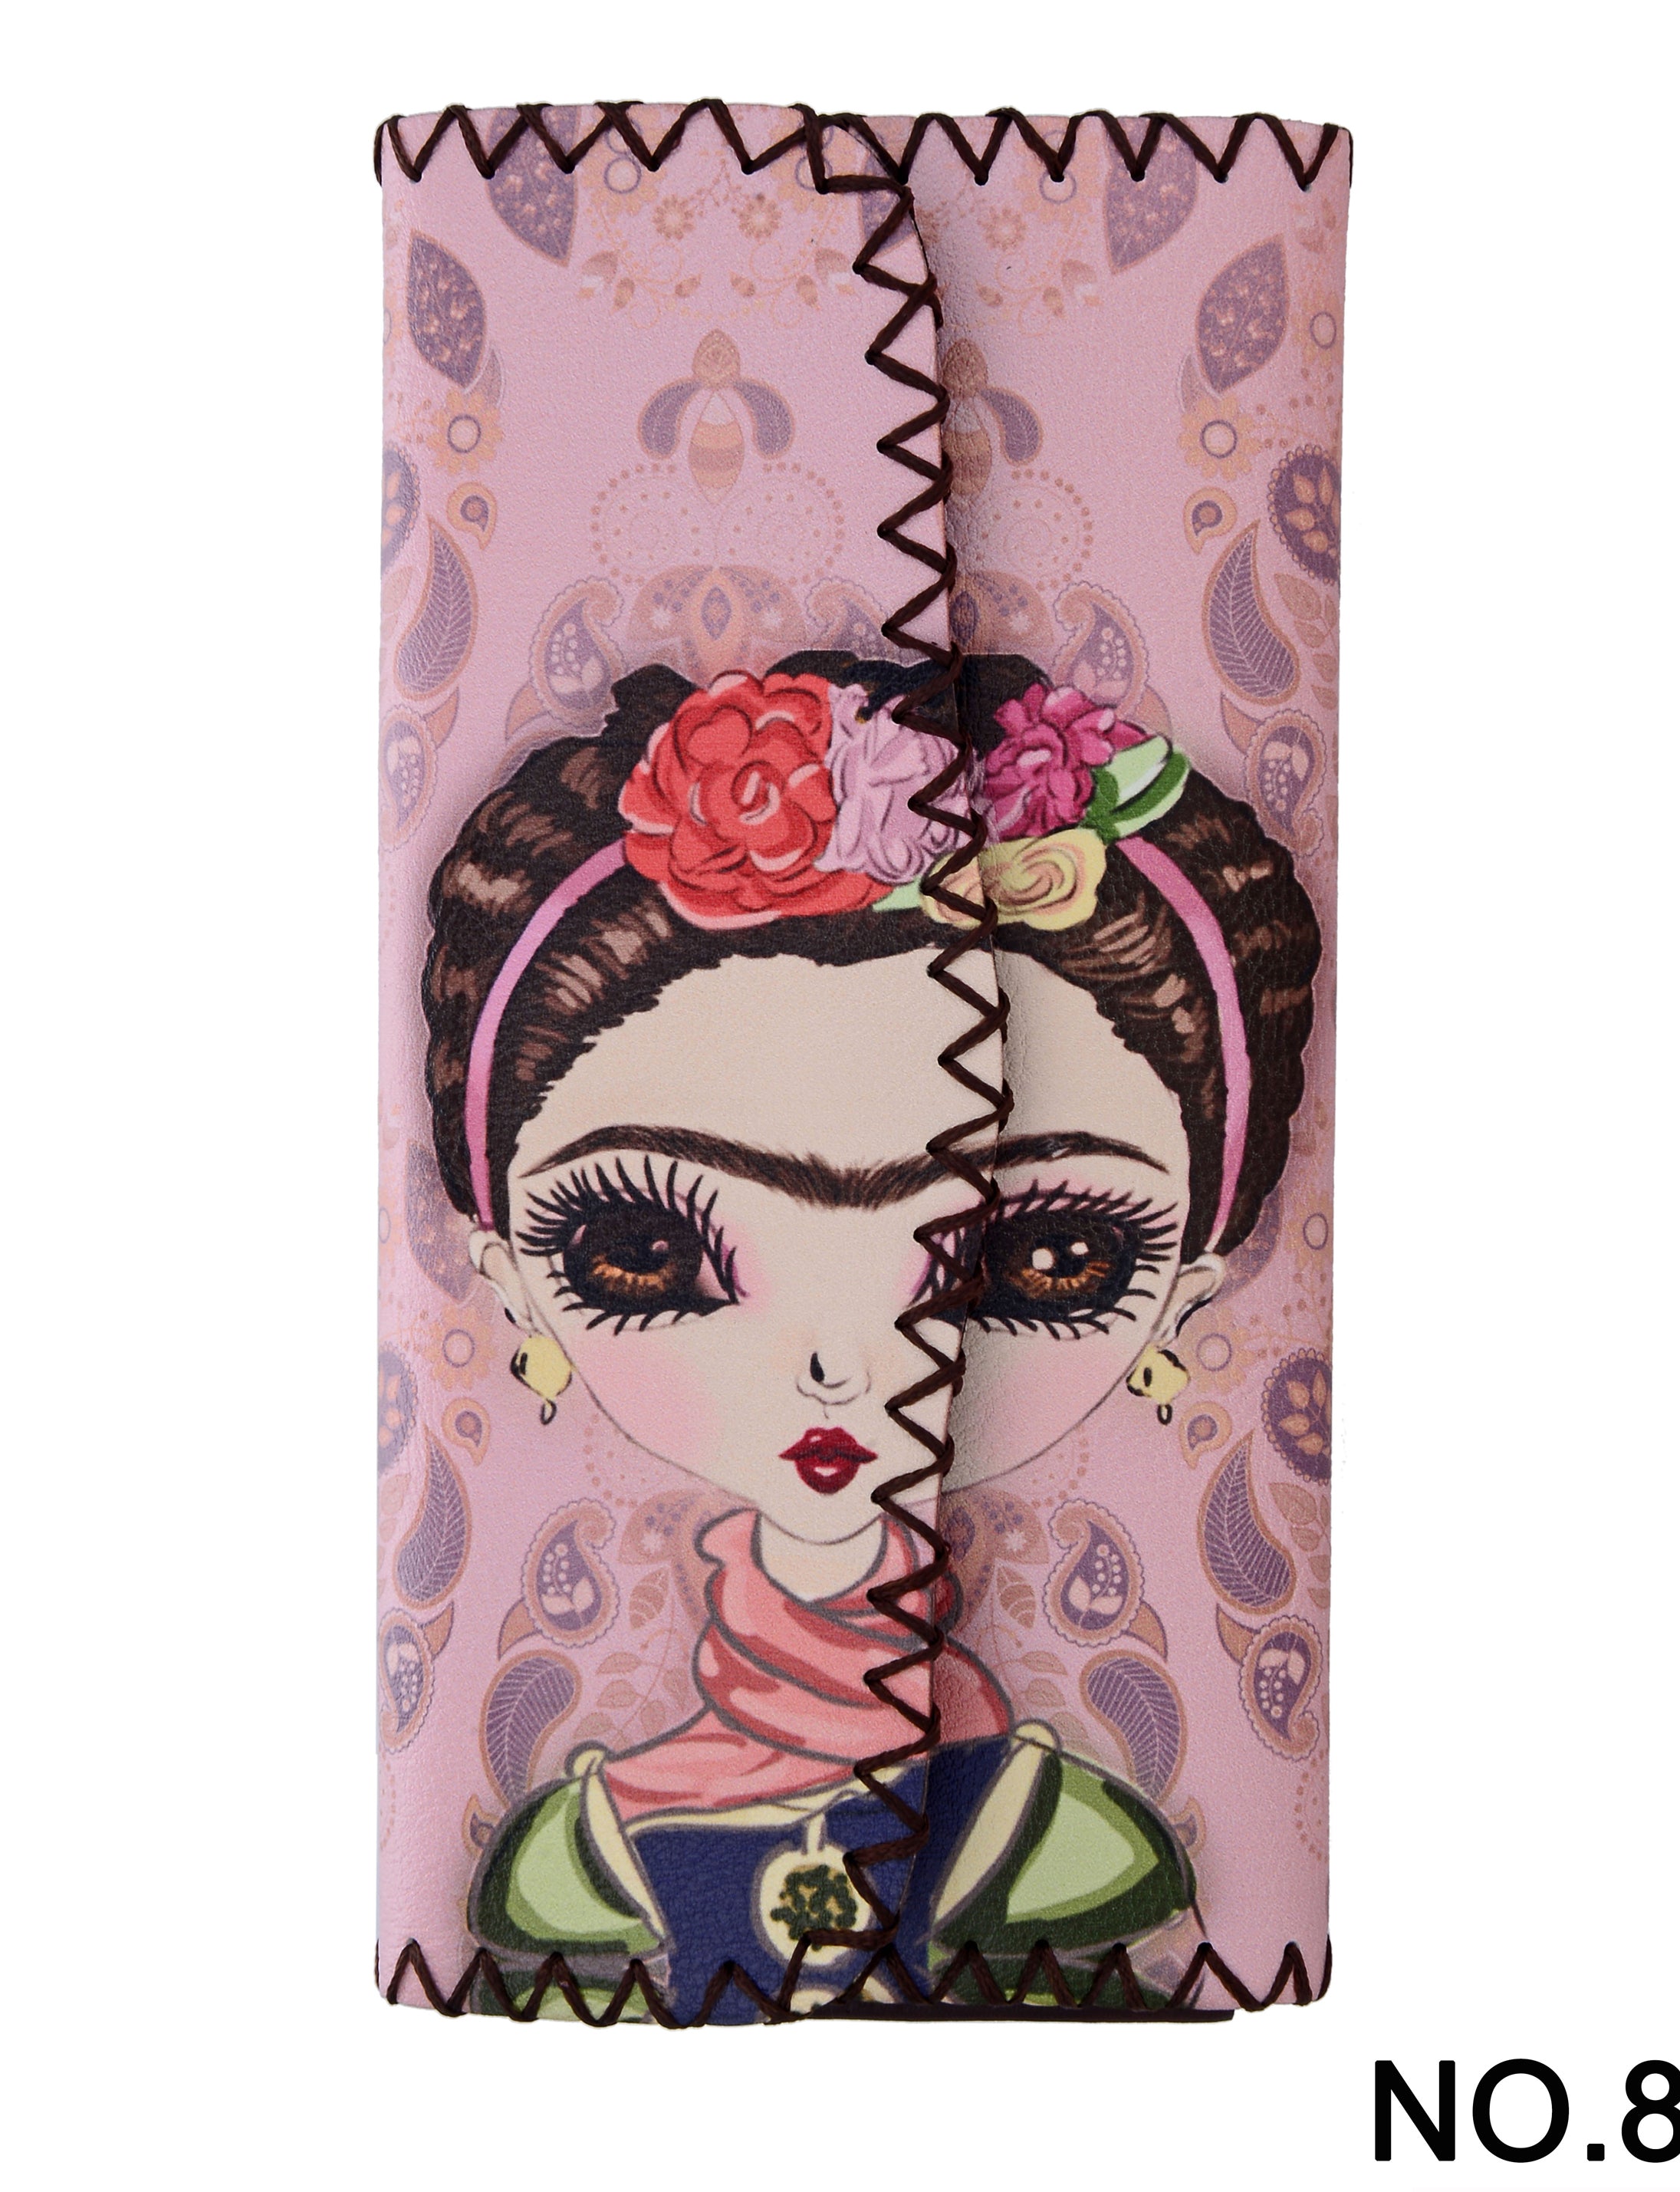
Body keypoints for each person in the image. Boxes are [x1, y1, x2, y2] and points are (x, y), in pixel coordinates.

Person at [420, 653, 1319, 2013]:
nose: (840, 1364)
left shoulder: (1066, 1847)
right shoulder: (571, 1870)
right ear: (513, 1277)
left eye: (1040, 1256)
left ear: (1184, 1291)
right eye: (645, 1248)